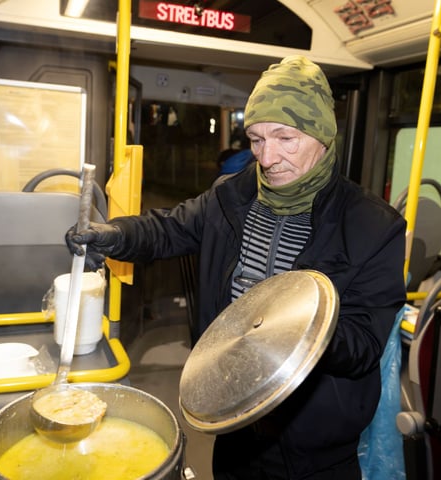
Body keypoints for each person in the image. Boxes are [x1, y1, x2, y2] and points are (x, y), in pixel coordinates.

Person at [66, 55, 406, 479]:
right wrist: (115, 235)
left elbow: (362, 346)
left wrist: (293, 333)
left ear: (322, 135)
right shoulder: (232, 196)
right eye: (257, 139)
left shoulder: (373, 226)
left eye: (285, 138)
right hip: (236, 425)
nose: (268, 157)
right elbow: (169, 229)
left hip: (314, 442)